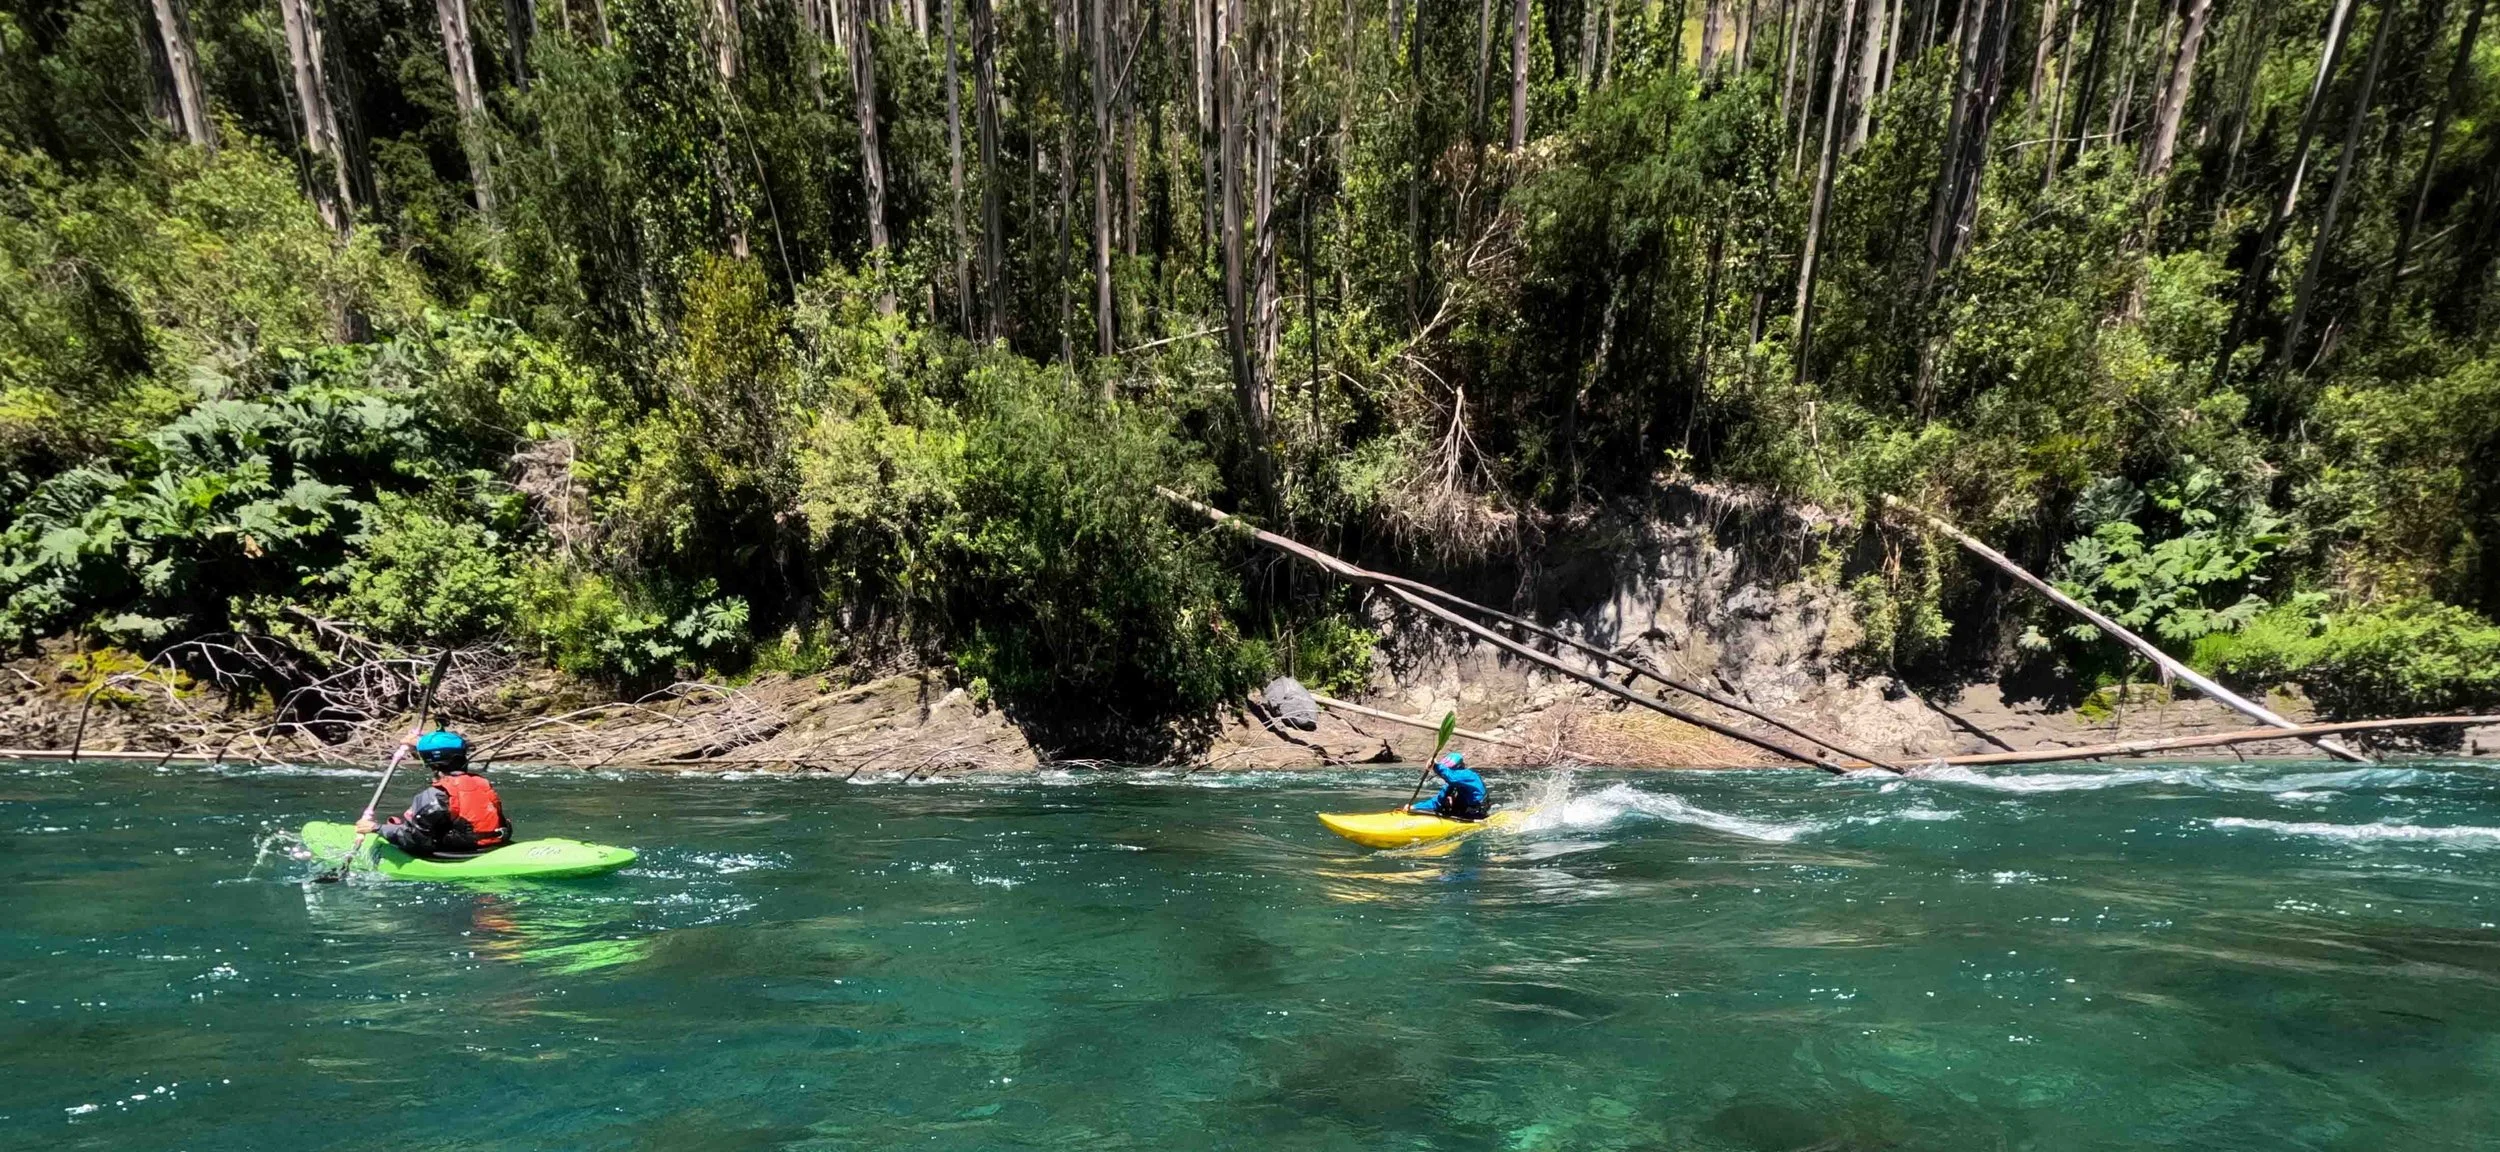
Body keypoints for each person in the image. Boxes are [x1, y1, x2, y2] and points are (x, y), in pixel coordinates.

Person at [354, 729, 511, 857]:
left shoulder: (434, 795)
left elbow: (415, 841)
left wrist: (377, 828)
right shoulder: (481, 783)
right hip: (492, 844)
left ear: (429, 763)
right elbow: (447, 749)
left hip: (459, 851)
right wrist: (419, 743)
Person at [1409, 749, 1490, 822]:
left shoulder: (1469, 775)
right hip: (1463, 810)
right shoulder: (1451, 784)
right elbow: (1437, 802)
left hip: (1477, 812)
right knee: (1446, 803)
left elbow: (1452, 777)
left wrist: (1436, 766)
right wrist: (1415, 807)